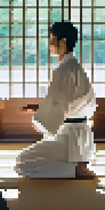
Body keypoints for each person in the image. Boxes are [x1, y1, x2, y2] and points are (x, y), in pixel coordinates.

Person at [14, 21, 97, 179]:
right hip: (77, 134)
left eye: (52, 39)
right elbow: (66, 103)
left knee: (22, 162)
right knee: (28, 159)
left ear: (63, 41)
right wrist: (39, 109)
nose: (50, 44)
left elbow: (60, 104)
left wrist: (41, 115)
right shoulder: (72, 67)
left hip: (70, 138)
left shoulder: (66, 70)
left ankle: (75, 170)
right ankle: (78, 164)